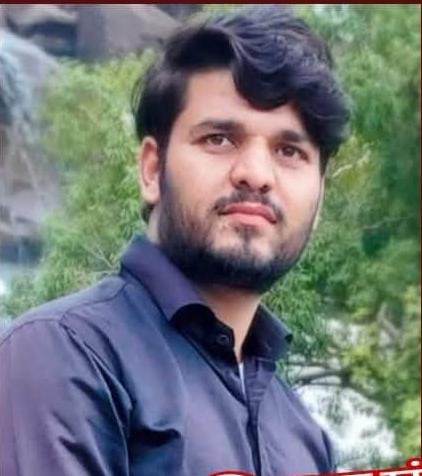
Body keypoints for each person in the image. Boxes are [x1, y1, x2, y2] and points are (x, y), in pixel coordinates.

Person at [0, 6, 350, 476]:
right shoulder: (62, 357)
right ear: (152, 169)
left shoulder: (302, 435)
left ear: (321, 194)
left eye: (289, 151)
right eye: (219, 139)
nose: (256, 174)